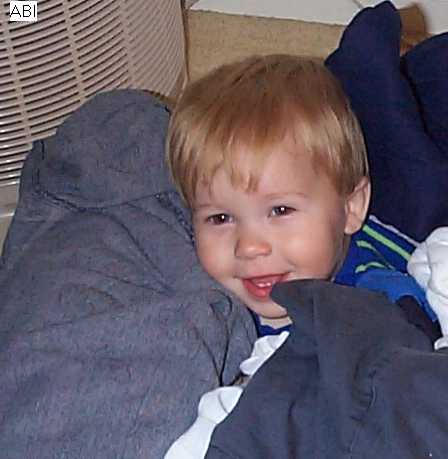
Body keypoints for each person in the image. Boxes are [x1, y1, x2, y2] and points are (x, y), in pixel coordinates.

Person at [166, 53, 435, 337]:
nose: (249, 247)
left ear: (351, 207)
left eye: (280, 210)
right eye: (220, 218)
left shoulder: (384, 305)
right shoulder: (197, 297)